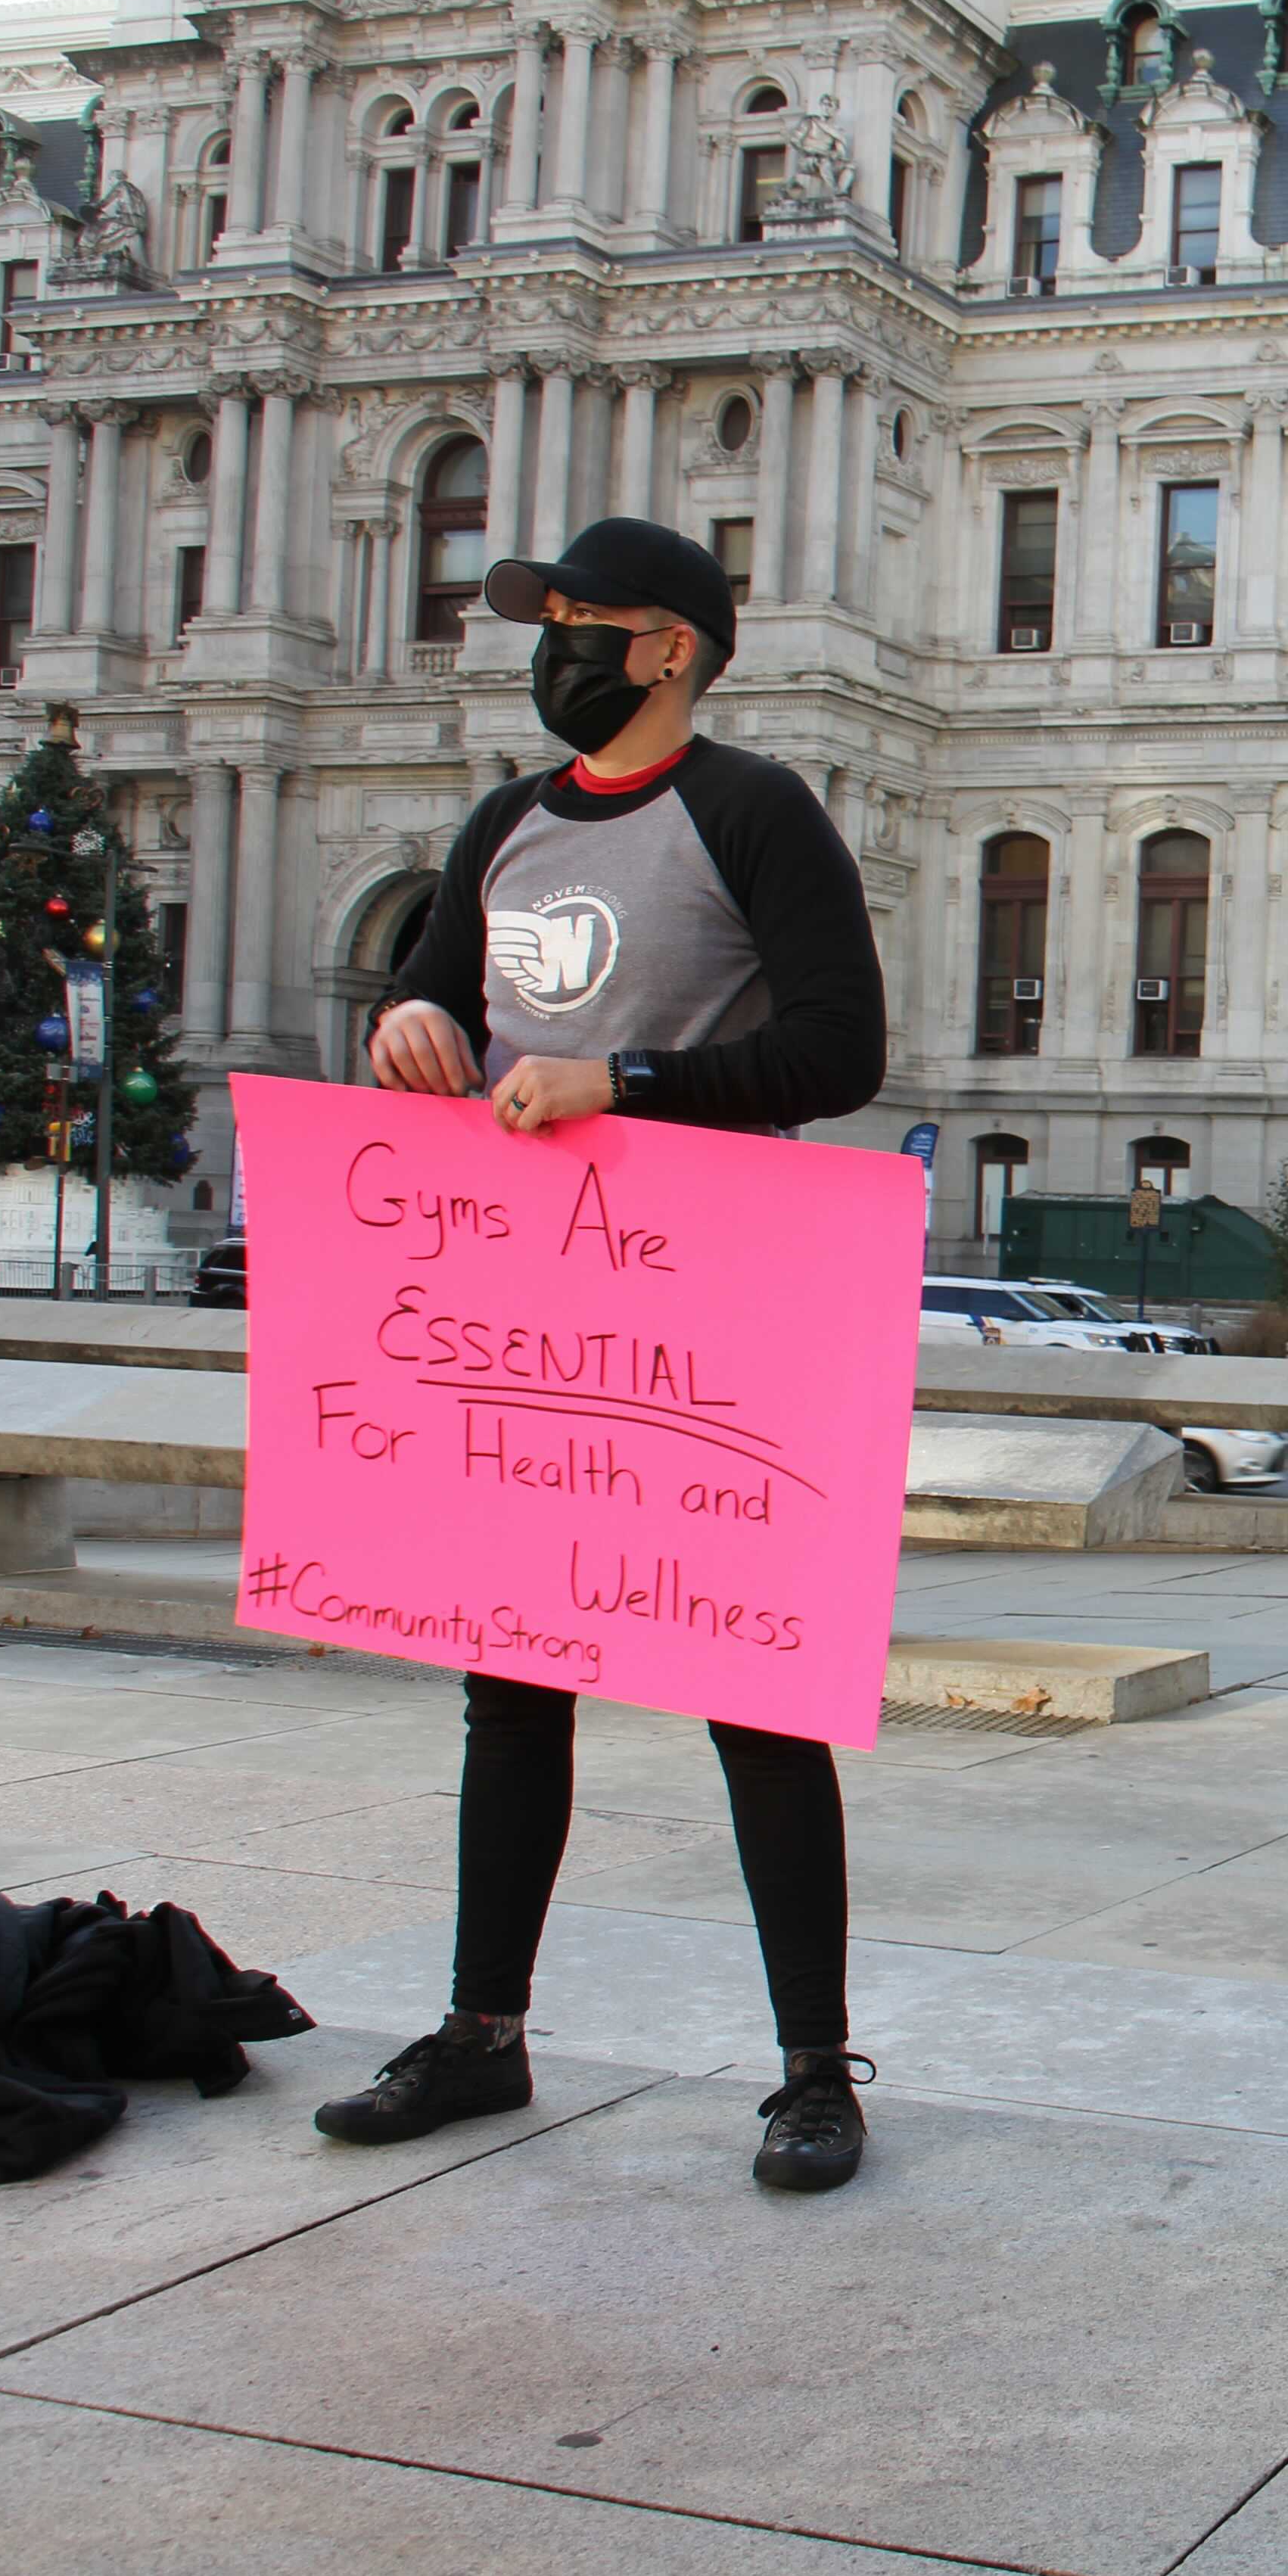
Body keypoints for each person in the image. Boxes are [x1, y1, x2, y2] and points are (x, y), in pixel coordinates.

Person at [316, 516, 891, 2193]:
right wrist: (409, 1030)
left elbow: (840, 1051)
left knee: (753, 1694)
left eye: (582, 619)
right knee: (511, 1682)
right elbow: (436, 1013)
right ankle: (483, 2033)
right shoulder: (504, 822)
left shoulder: (752, 809)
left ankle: (811, 2069)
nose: (552, 643)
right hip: (526, 1300)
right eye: (543, 618)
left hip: (707, 1294)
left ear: (671, 648)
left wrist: (619, 1084)